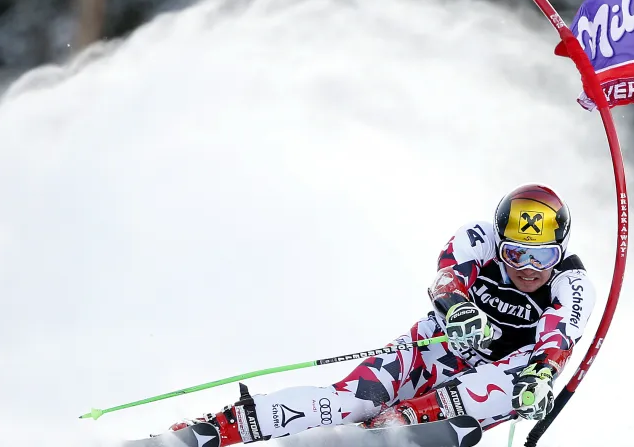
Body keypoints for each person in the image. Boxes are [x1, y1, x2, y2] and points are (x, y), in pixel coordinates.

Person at [168, 184, 597, 446]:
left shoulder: (573, 284)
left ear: (558, 252)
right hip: (431, 352)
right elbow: (447, 277)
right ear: (500, 242)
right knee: (347, 400)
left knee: (518, 379)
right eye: (515, 252)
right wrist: (457, 308)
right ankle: (213, 430)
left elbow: (558, 337)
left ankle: (400, 423)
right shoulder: (478, 236)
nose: (526, 266)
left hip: (493, 378)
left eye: (541, 256)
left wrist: (541, 377)